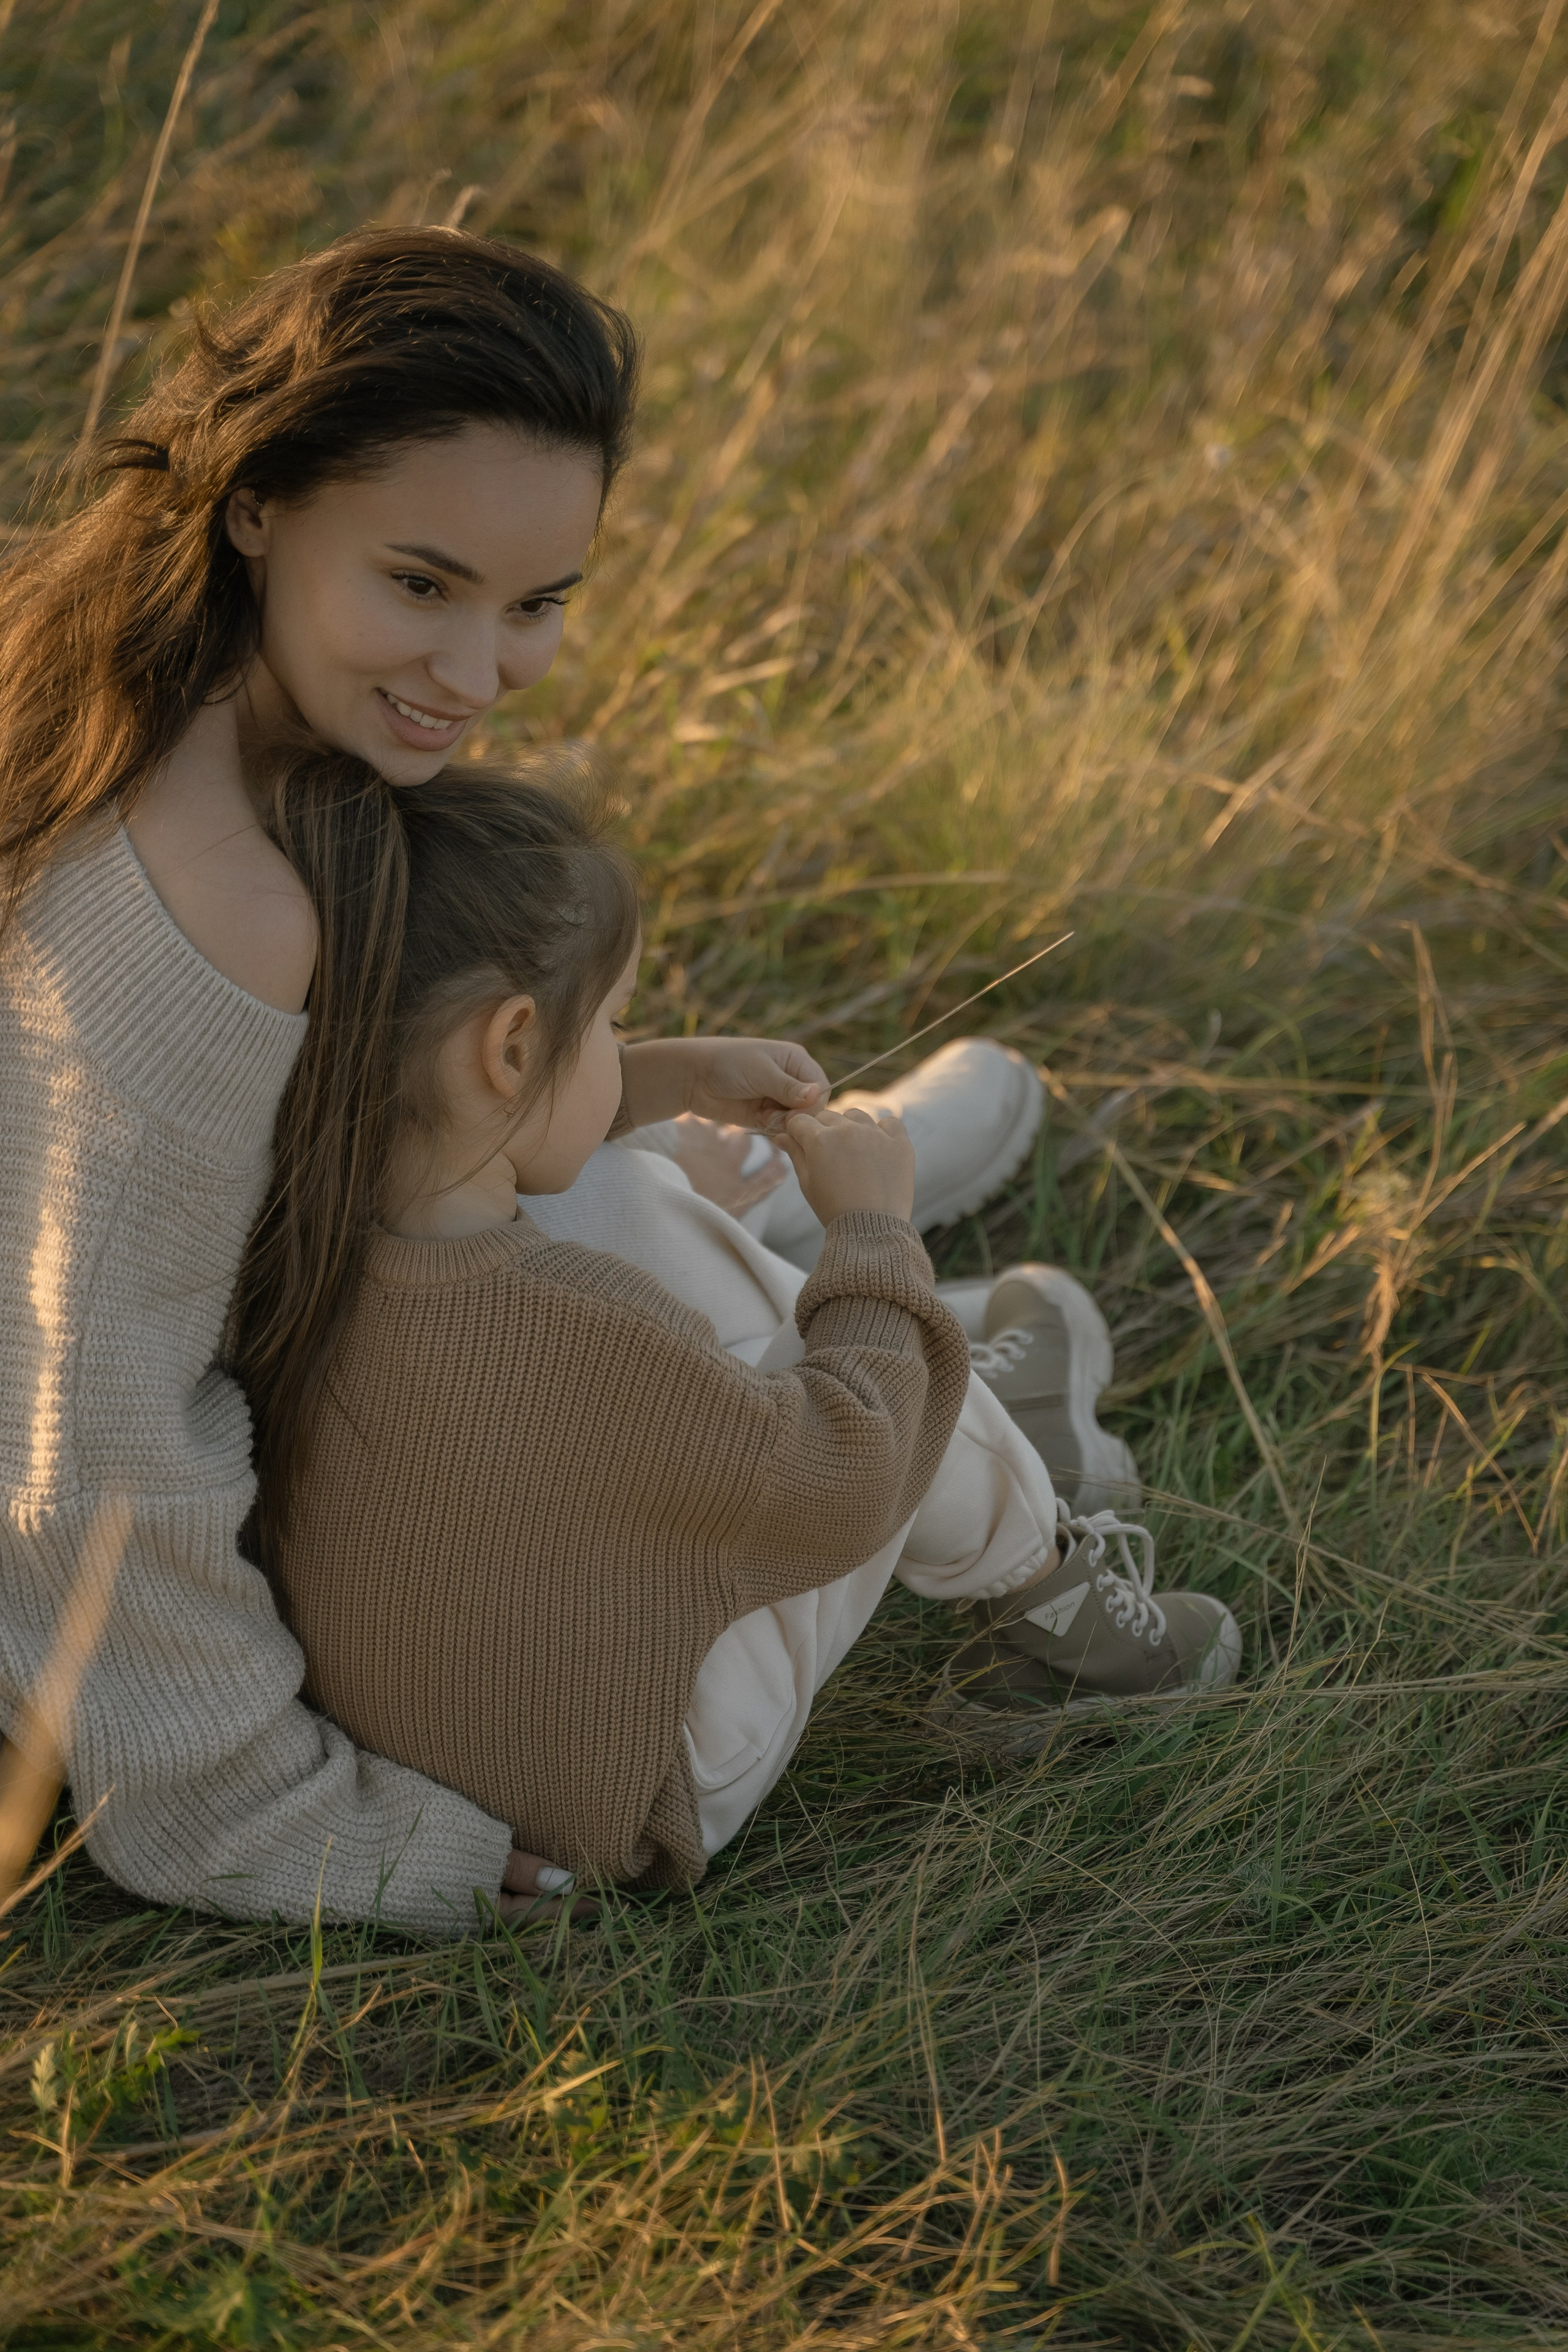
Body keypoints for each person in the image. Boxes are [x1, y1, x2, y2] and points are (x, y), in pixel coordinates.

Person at [0, 224, 1212, 1936]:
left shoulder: (154, 688)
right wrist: (298, 1825)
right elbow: (87, 1447)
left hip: (366, 1346)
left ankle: (853, 1222)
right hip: (348, 1517)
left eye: (536, 604)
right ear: (258, 503)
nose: (479, 672)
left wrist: (637, 1084)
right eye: (420, 585)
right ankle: (894, 1286)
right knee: (634, 1227)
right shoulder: (220, 897)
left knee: (606, 1167)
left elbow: (315, 1144)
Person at [249, 758, 1241, 1889]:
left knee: (619, 1191)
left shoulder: (293, 1243)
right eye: (614, 1024)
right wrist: (874, 1239)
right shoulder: (578, 1329)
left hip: (457, 1756)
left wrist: (663, 1081)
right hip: (645, 1781)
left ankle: (997, 1408)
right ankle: (1068, 1612)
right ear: (515, 1046)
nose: (623, 1044)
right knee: (864, 1373)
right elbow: (846, 1476)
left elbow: (508, 1129)